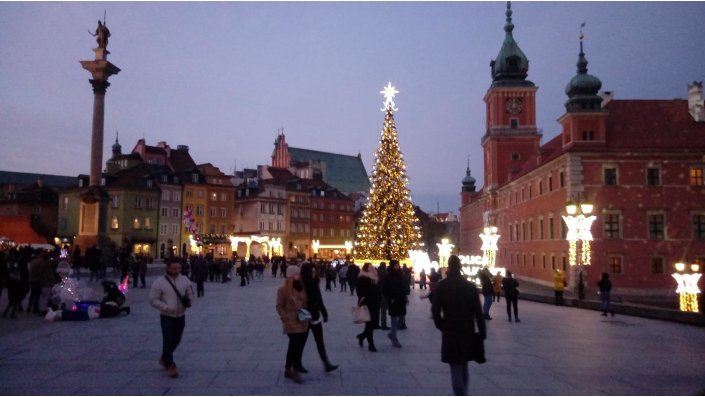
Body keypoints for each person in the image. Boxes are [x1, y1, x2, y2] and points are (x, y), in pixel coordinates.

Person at [432, 255, 486, 396]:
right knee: (464, 365)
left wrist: (440, 325)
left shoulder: (442, 286)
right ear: (460, 267)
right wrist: (482, 332)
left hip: (450, 330)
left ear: (449, 267)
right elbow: (478, 312)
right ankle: (464, 393)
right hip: (467, 331)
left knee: (455, 366)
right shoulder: (470, 286)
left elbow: (435, 310)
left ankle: (460, 394)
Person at [149, 260, 194, 378]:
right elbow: (153, 299)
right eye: (174, 269)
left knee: (177, 339)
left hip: (181, 315)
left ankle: (164, 358)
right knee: (168, 339)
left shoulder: (184, 280)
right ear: (168, 268)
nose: (177, 271)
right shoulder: (159, 282)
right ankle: (170, 365)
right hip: (167, 316)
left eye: (179, 268)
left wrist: (189, 300)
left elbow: (190, 293)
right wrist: (166, 307)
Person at [300, 262, 338, 372]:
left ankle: (326, 363)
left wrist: (324, 312)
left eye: (314, 271)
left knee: (319, 340)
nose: (314, 273)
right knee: (302, 341)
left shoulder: (314, 282)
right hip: (305, 314)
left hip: (315, 315)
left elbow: (319, 299)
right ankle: (297, 363)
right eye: (312, 271)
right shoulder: (300, 284)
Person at [276, 265, 308, 384]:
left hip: (302, 319)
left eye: (298, 274)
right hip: (290, 321)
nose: (298, 276)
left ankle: (287, 368)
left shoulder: (301, 287)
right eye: (296, 274)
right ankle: (295, 370)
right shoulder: (283, 290)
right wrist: (284, 316)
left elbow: (305, 301)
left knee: (293, 346)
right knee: (296, 345)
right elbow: (279, 306)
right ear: (290, 276)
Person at [382, 260, 409, 348]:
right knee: (394, 320)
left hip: (401, 300)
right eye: (395, 265)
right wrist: (391, 298)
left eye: (398, 265)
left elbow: (404, 286)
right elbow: (385, 289)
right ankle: (394, 338)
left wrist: (406, 296)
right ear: (392, 266)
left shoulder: (401, 275)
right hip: (393, 300)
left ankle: (391, 334)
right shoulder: (388, 277)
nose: (397, 267)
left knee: (401, 320)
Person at [355, 263, 379, 352]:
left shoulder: (375, 276)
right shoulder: (362, 277)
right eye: (370, 267)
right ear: (366, 268)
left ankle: (362, 336)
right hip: (367, 303)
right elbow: (359, 290)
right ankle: (371, 345)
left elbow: (377, 289)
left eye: (372, 267)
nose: (372, 268)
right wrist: (364, 298)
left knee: (372, 324)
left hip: (375, 303)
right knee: (369, 324)